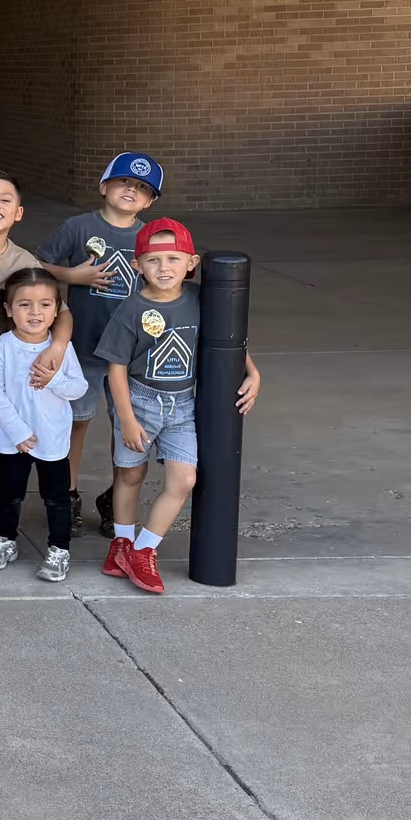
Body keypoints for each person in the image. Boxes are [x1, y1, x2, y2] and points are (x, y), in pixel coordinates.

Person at [97, 218, 263, 594]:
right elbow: (116, 366)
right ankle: (120, 545)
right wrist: (125, 418)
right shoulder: (131, 309)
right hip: (138, 400)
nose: (164, 268)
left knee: (184, 479)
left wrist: (253, 372)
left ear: (191, 263)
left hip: (184, 405)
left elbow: (227, 340)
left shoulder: (201, 298)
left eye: (173, 259)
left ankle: (143, 550)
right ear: (137, 265)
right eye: (153, 261)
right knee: (129, 475)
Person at [37, 152, 163, 538]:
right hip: (84, 350)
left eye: (141, 188)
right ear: (104, 186)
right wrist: (71, 275)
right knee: (75, 424)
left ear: (150, 202)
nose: (131, 190)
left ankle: (115, 499)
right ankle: (68, 495)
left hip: (132, 355)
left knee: (127, 428)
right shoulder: (78, 227)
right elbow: (39, 267)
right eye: (124, 182)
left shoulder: (151, 237)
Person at [0, 170, 73, 568]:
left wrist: (57, 346)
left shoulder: (25, 261)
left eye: (4, 199)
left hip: (2, 365)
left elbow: (62, 310)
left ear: (18, 212)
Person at [0, 268, 92, 582]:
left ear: (56, 310)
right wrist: (17, 431)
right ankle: (5, 541)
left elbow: (78, 388)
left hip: (52, 438)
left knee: (56, 497)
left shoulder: (60, 349)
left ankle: (59, 550)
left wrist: (54, 379)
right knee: (9, 493)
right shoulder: (3, 346)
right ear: (8, 309)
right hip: (13, 440)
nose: (35, 312)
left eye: (45, 305)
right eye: (24, 305)